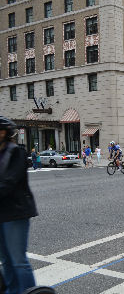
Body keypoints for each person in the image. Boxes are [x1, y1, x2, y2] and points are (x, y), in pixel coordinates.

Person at [0, 116, 38, 294]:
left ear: (3, 132)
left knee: (18, 260)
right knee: (6, 260)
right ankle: (12, 291)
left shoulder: (16, 152)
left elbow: (9, 182)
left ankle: (28, 291)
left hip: (16, 212)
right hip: (1, 213)